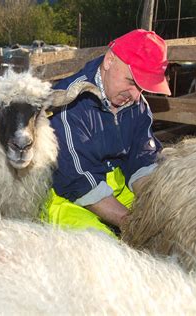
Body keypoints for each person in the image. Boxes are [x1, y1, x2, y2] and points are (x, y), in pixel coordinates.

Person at [41, 29, 171, 237]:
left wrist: (158, 206)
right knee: (104, 248)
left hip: (117, 188)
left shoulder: (137, 104)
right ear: (109, 61)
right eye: (132, 82)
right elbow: (79, 181)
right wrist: (133, 223)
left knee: (168, 219)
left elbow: (142, 160)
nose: (136, 96)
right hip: (71, 198)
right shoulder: (68, 103)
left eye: (143, 87)